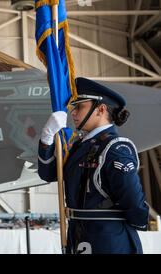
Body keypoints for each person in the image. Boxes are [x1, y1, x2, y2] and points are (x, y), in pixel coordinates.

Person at [38, 77, 149, 254]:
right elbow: (49, 174)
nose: (73, 113)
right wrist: (46, 139)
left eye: (79, 106)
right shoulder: (80, 146)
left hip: (108, 239)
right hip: (79, 235)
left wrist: (137, 222)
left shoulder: (115, 148)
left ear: (101, 109)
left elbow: (133, 200)